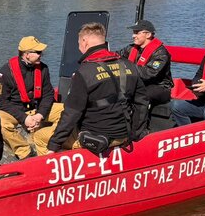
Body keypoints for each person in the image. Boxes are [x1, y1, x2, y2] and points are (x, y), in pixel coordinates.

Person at [46, 22, 142, 154]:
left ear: (84, 41)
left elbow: (72, 113)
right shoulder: (129, 65)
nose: (79, 47)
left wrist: (54, 144)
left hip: (96, 137)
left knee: (40, 136)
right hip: (124, 133)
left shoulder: (85, 72)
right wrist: (136, 133)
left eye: (79, 43)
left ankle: (56, 170)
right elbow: (142, 102)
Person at [0, 36, 57, 159]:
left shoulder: (43, 69)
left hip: (37, 109)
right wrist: (24, 118)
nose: (41, 55)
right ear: (26, 54)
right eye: (38, 52)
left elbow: (48, 94)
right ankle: (25, 152)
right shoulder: (5, 72)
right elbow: (1, 102)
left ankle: (48, 141)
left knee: (66, 111)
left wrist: (40, 115)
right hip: (16, 111)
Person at [119, 19, 172, 134]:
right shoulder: (131, 48)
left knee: (141, 94)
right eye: (133, 32)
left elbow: (148, 73)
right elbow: (117, 56)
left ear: (148, 34)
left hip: (160, 87)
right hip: (138, 83)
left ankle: (139, 131)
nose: (133, 36)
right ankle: (118, 127)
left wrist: (126, 68)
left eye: (137, 32)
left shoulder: (161, 53)